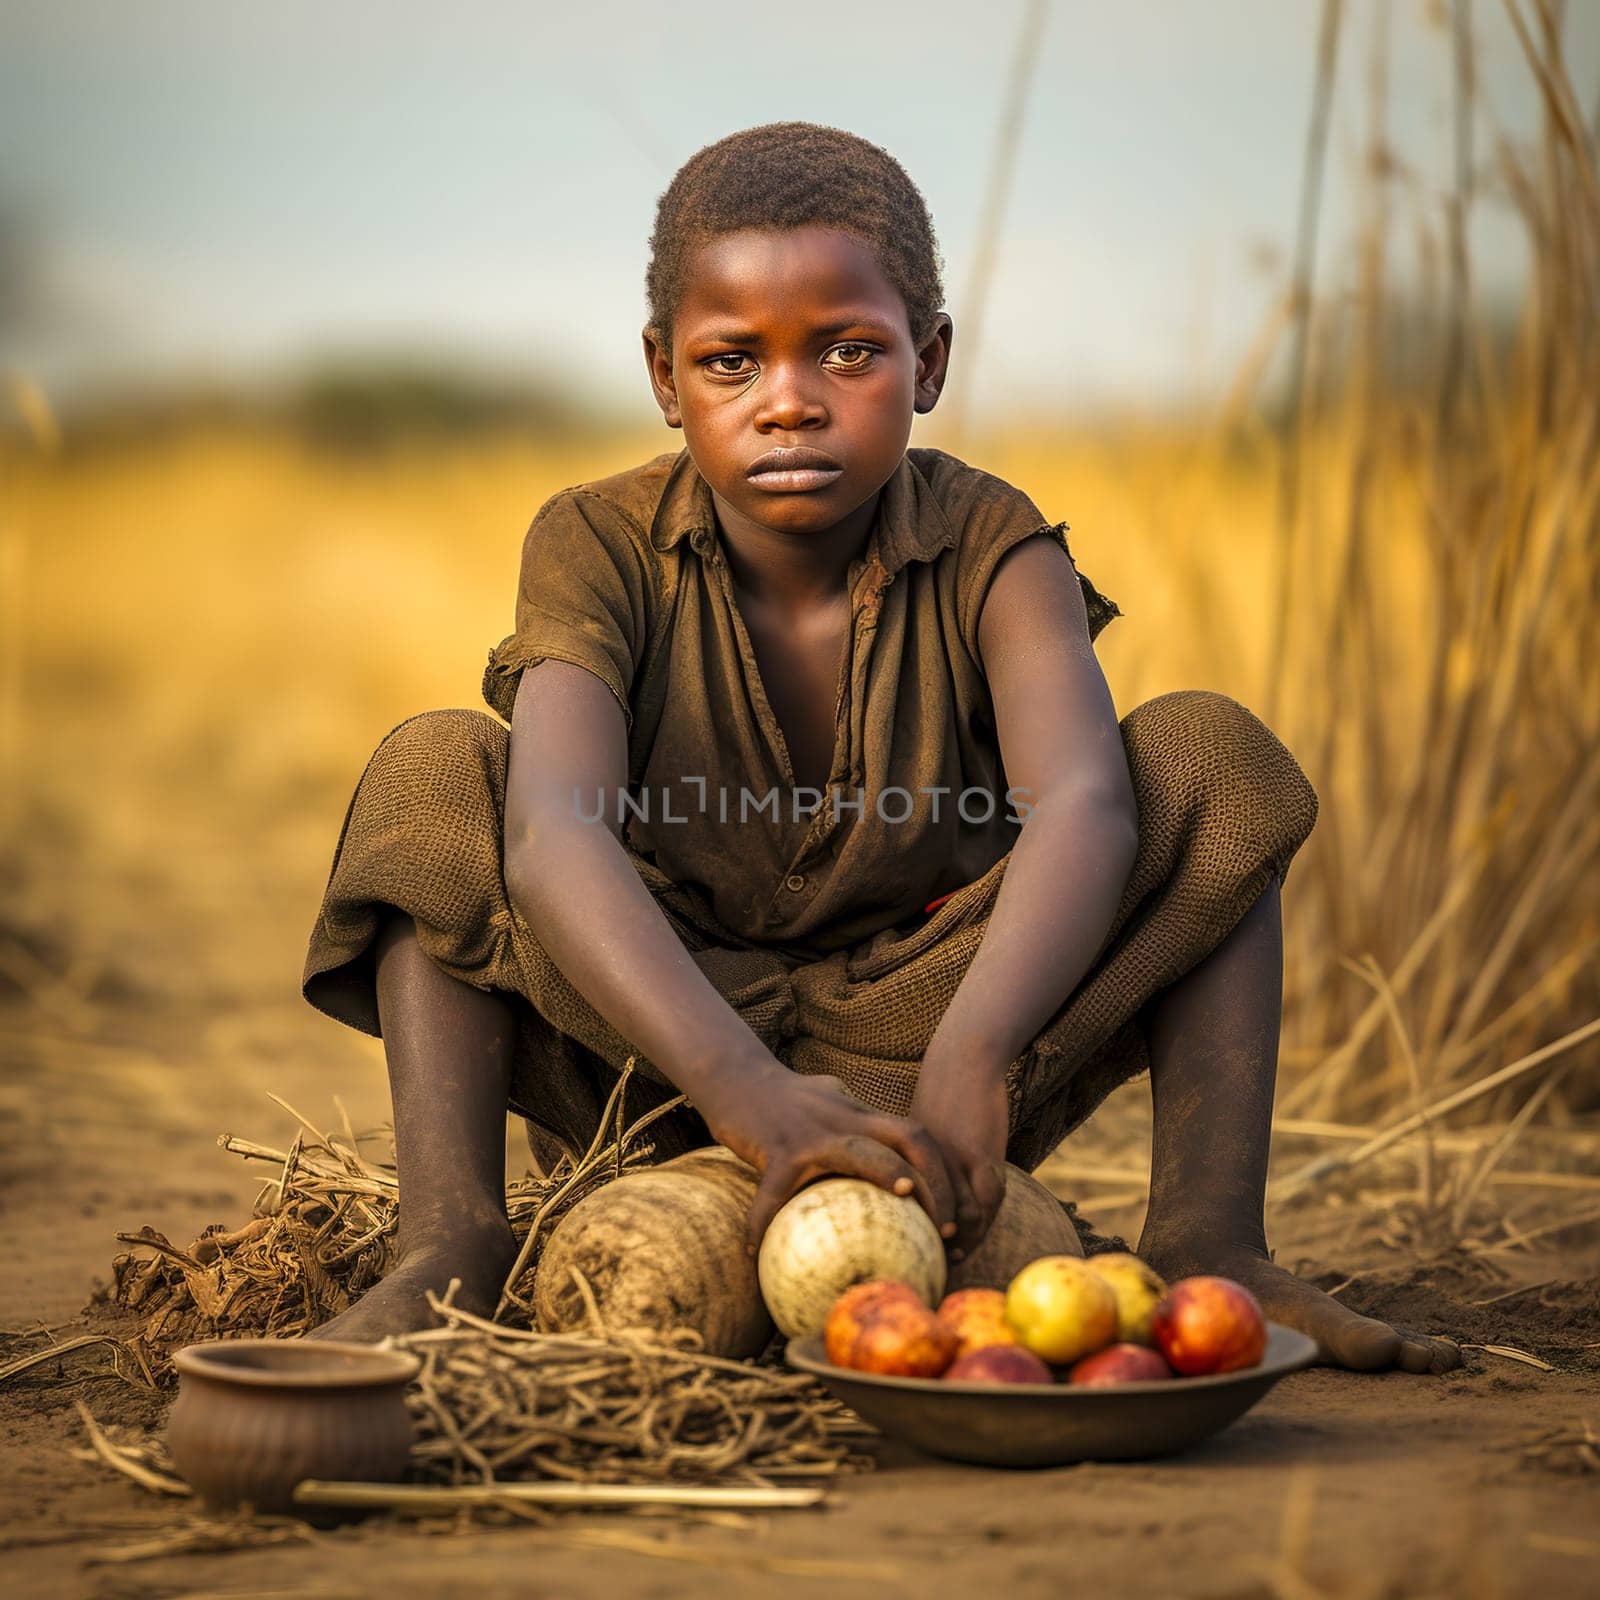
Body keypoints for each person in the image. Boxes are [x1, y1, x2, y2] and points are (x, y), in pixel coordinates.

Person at [301, 122, 1456, 1373]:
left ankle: (1211, 1241)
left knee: (1206, 758)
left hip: (931, 1064)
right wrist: (742, 1090)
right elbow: (551, 835)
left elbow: (1083, 806)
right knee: (434, 768)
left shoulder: (994, 544)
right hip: (653, 1053)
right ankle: (449, 1244)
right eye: (729, 361)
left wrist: (974, 1050)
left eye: (848, 352)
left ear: (929, 360)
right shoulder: (594, 541)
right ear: (661, 375)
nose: (788, 400)